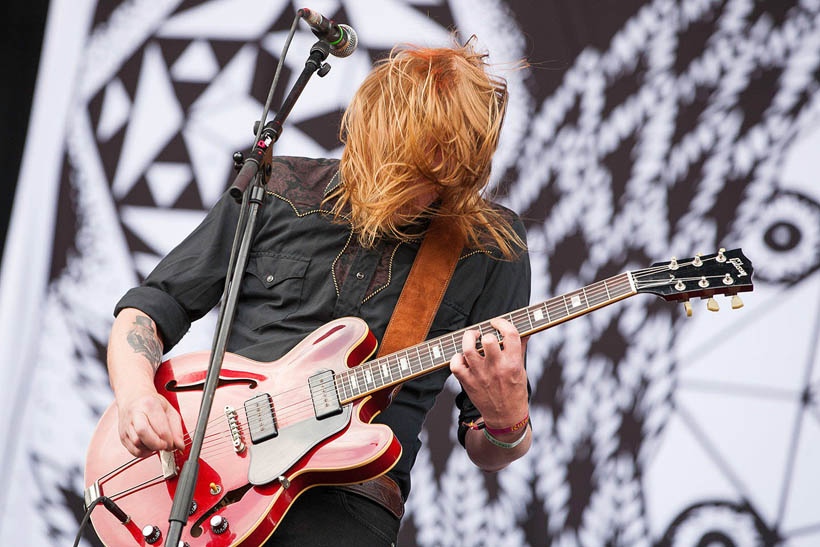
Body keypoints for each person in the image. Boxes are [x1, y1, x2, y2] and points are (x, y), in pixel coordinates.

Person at [106, 40, 532, 546]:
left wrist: (508, 424)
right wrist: (136, 397)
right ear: (373, 140)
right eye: (414, 170)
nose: (427, 193)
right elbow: (151, 307)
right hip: (201, 484)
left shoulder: (489, 247)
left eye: (444, 176)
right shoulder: (280, 187)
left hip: (348, 506)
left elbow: (485, 445)